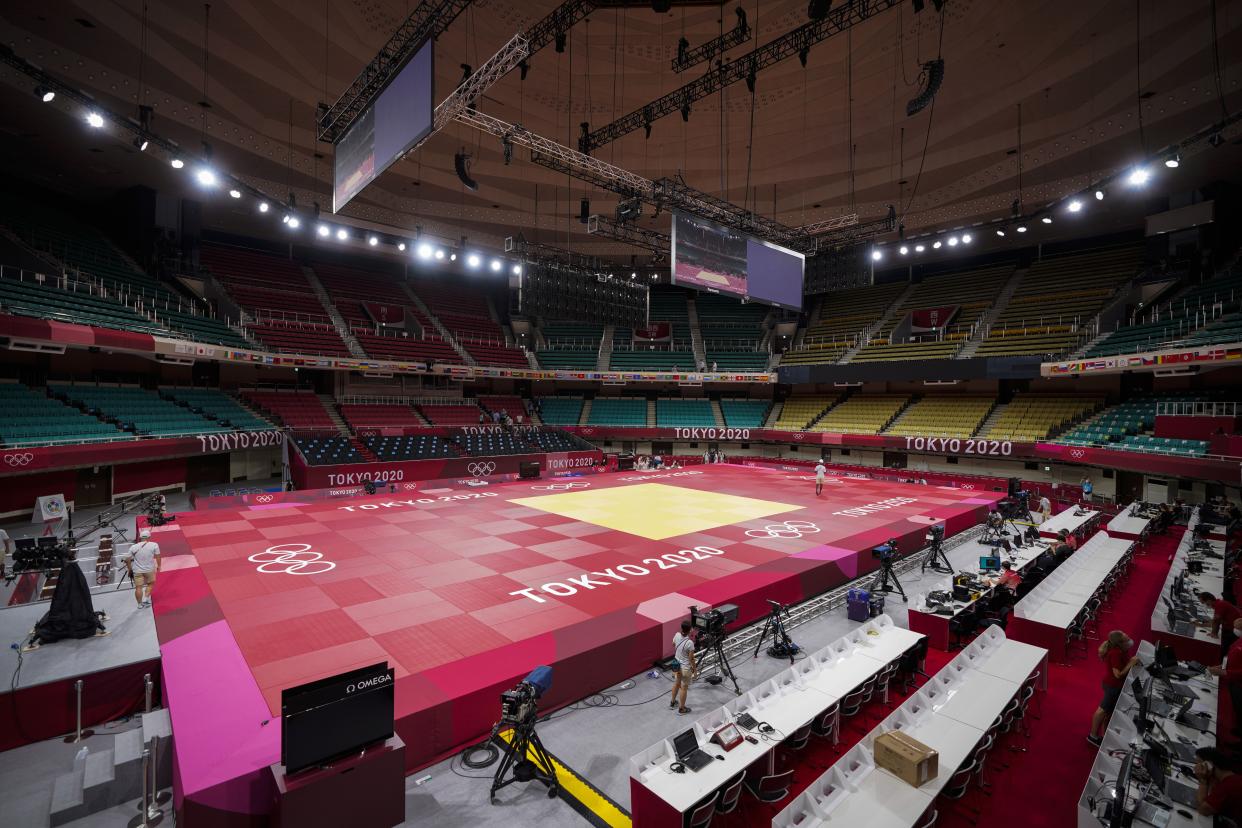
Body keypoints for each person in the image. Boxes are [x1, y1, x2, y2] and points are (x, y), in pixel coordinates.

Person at [1088, 630, 1138, 746]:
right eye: (1127, 638)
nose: (1129, 638)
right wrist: (1131, 663)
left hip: (1116, 686)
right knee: (1102, 711)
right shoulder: (1115, 653)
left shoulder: (1123, 649)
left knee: (1109, 713)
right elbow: (1117, 674)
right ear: (1120, 643)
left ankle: (1105, 735)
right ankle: (1093, 736)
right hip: (1113, 686)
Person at [1209, 616, 1242, 738]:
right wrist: (1221, 666)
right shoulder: (1239, 639)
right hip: (1231, 680)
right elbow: (1230, 655)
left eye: (1238, 628)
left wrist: (1224, 673)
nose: (1235, 630)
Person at [1194, 747, 1242, 820]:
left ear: (1209, 766)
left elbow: (1203, 810)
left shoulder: (1227, 786)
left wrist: (1203, 780)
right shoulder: (1231, 777)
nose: (1196, 768)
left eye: (1199, 765)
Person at [121, 529, 161, 609]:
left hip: (137, 570)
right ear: (149, 537)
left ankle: (139, 604)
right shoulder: (154, 545)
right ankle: (146, 599)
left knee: (138, 587)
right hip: (149, 570)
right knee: (150, 584)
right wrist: (159, 566)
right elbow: (158, 556)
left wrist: (129, 569)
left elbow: (127, 559)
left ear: (140, 538)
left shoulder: (133, 547)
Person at [1199, 591, 1241, 658]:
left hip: (1234, 631)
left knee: (1221, 648)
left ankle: (1222, 662)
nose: (1204, 605)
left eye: (1203, 603)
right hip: (1230, 627)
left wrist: (1214, 633)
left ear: (1209, 600)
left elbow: (1216, 621)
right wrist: (1200, 625)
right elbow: (1215, 621)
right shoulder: (1219, 603)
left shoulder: (1220, 605)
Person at [669, 620, 696, 715]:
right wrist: (695, 670)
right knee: (684, 688)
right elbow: (691, 658)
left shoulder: (676, 635)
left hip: (676, 666)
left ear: (681, 628)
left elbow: (673, 644)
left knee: (676, 684)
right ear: (690, 630)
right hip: (685, 668)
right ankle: (682, 709)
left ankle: (672, 703)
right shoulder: (690, 643)